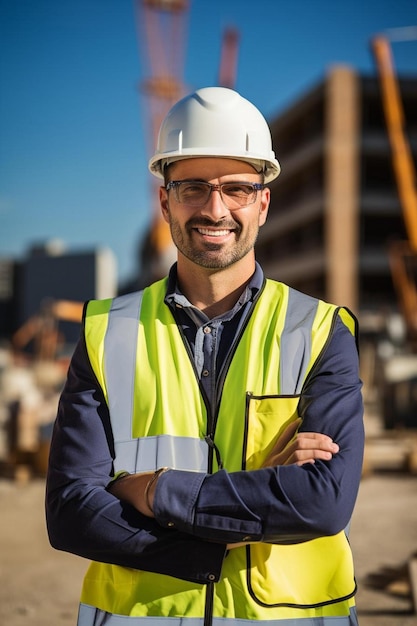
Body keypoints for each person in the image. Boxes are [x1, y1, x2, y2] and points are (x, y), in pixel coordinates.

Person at [46, 86, 364, 626]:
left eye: (237, 189)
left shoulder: (321, 331)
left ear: (263, 203)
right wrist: (214, 546)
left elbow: (322, 502)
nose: (214, 209)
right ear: (164, 200)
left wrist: (151, 488)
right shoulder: (108, 330)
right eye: (194, 187)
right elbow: (71, 512)